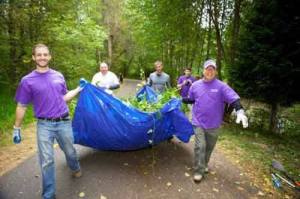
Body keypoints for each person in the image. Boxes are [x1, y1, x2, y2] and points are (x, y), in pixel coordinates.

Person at [12, 44, 83, 199]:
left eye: (45, 54)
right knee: (47, 161)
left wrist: (78, 89)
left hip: (63, 121)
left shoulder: (59, 76)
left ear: (50, 56)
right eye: (39, 55)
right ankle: (49, 194)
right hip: (44, 125)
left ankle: (75, 166)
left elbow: (64, 97)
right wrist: (16, 128)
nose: (42, 57)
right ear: (33, 57)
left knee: (70, 151)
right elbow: (22, 105)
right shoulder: (27, 81)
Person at [183, 59, 248, 183]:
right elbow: (192, 99)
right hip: (198, 122)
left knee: (209, 147)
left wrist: (239, 110)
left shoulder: (221, 86)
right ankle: (198, 171)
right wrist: (183, 100)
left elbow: (233, 98)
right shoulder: (195, 85)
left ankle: (204, 164)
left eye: (212, 69)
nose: (210, 71)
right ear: (203, 71)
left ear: (215, 72)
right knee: (200, 146)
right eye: (208, 69)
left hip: (214, 124)